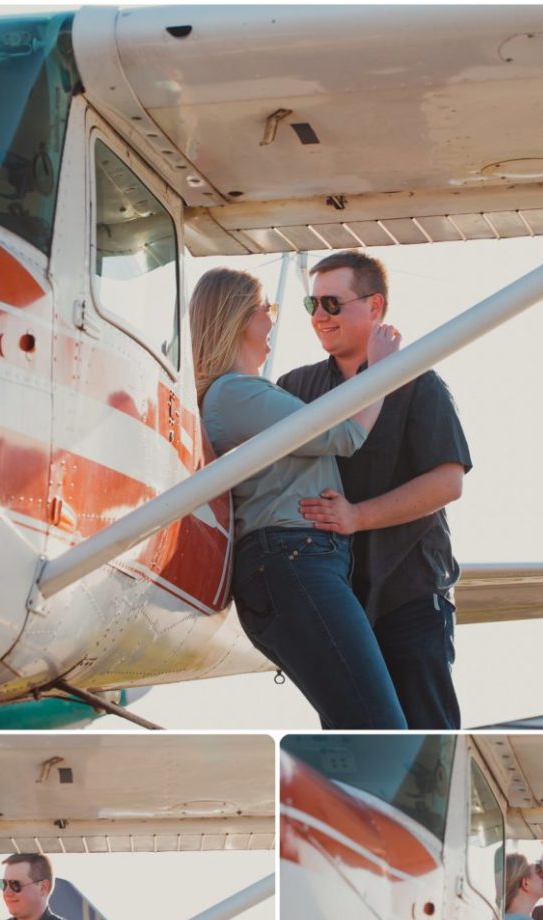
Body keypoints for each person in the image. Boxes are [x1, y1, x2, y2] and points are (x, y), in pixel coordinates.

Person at [191, 266, 407, 729]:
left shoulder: (245, 396)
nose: (272, 320)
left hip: (296, 564)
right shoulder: (235, 396)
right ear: (238, 319)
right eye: (265, 309)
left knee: (355, 722)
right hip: (294, 562)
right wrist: (383, 366)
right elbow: (346, 434)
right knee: (378, 725)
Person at [277, 250, 473, 729]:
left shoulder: (418, 382)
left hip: (409, 595)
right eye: (312, 305)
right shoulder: (294, 387)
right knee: (353, 750)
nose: (320, 317)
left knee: (426, 749)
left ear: (375, 306)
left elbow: (449, 482)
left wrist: (358, 516)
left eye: (332, 303)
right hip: (333, 602)